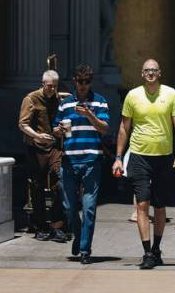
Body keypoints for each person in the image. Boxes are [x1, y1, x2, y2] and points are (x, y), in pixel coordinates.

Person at [113, 59, 175, 270]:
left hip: (164, 156)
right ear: (142, 74)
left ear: (159, 73)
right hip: (139, 156)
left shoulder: (170, 94)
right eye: (147, 71)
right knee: (142, 204)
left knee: (160, 206)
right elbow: (124, 128)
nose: (151, 73)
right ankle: (146, 253)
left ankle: (157, 249)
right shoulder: (133, 95)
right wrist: (118, 157)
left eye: (154, 70)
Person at [53, 64, 109, 264]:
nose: (84, 85)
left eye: (87, 82)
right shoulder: (65, 103)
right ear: (74, 81)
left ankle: (85, 250)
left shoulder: (100, 102)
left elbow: (104, 129)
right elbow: (56, 127)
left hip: (92, 160)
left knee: (89, 207)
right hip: (69, 159)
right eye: (80, 81)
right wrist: (58, 131)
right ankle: (78, 234)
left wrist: (89, 115)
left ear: (90, 82)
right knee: (69, 206)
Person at [18, 70, 68, 242]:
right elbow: (22, 124)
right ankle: (40, 226)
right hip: (36, 147)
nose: (52, 89)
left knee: (58, 182)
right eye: (49, 86)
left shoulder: (59, 98)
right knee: (38, 187)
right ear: (42, 84)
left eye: (55, 86)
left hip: (54, 146)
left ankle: (57, 225)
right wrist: (37, 135)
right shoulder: (31, 98)